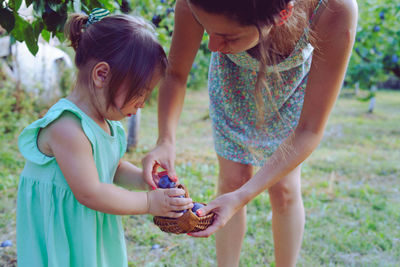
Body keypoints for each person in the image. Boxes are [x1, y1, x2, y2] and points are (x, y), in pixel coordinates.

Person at [142, 0, 357, 266]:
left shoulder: (335, 10)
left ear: (283, 14)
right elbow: (175, 74)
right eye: (208, 31)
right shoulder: (193, 2)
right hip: (232, 88)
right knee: (233, 181)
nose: (212, 47)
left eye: (228, 36)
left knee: (284, 189)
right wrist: (165, 140)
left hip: (289, 97)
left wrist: (242, 198)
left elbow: (309, 130)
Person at [16, 9, 193, 267]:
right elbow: (91, 192)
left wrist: (148, 183)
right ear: (102, 74)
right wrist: (148, 202)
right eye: (140, 92)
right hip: (62, 226)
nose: (142, 103)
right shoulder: (67, 127)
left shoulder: (107, 122)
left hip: (84, 222)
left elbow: (111, 166)